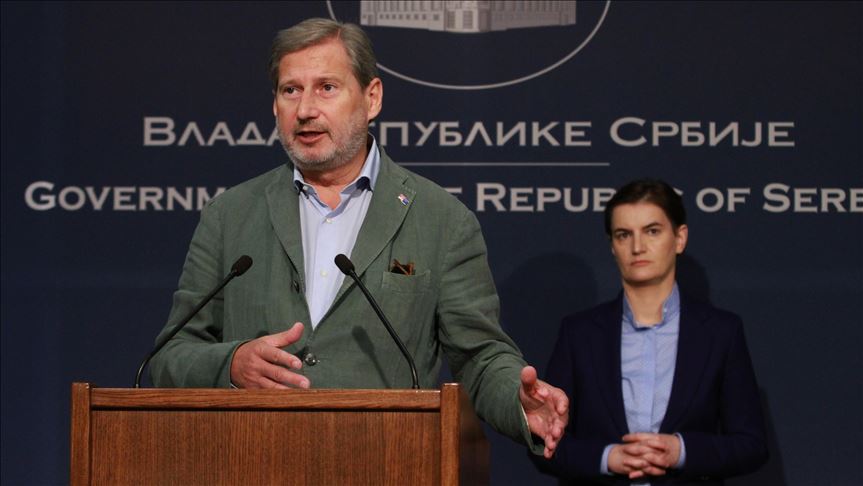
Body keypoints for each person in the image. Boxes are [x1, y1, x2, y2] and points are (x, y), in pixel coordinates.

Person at [149, 17, 567, 458]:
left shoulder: (442, 220)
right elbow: (170, 356)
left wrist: (517, 402)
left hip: (386, 460)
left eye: (326, 87)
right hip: (252, 458)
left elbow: (480, 356)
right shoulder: (230, 215)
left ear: (372, 98)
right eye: (290, 90)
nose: (305, 109)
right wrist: (231, 365)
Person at [531, 179, 768, 483]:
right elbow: (544, 440)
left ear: (679, 238)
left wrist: (681, 451)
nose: (637, 247)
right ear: (612, 245)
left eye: (652, 231)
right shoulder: (579, 334)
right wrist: (607, 458)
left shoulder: (721, 332)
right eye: (623, 234)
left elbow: (751, 444)